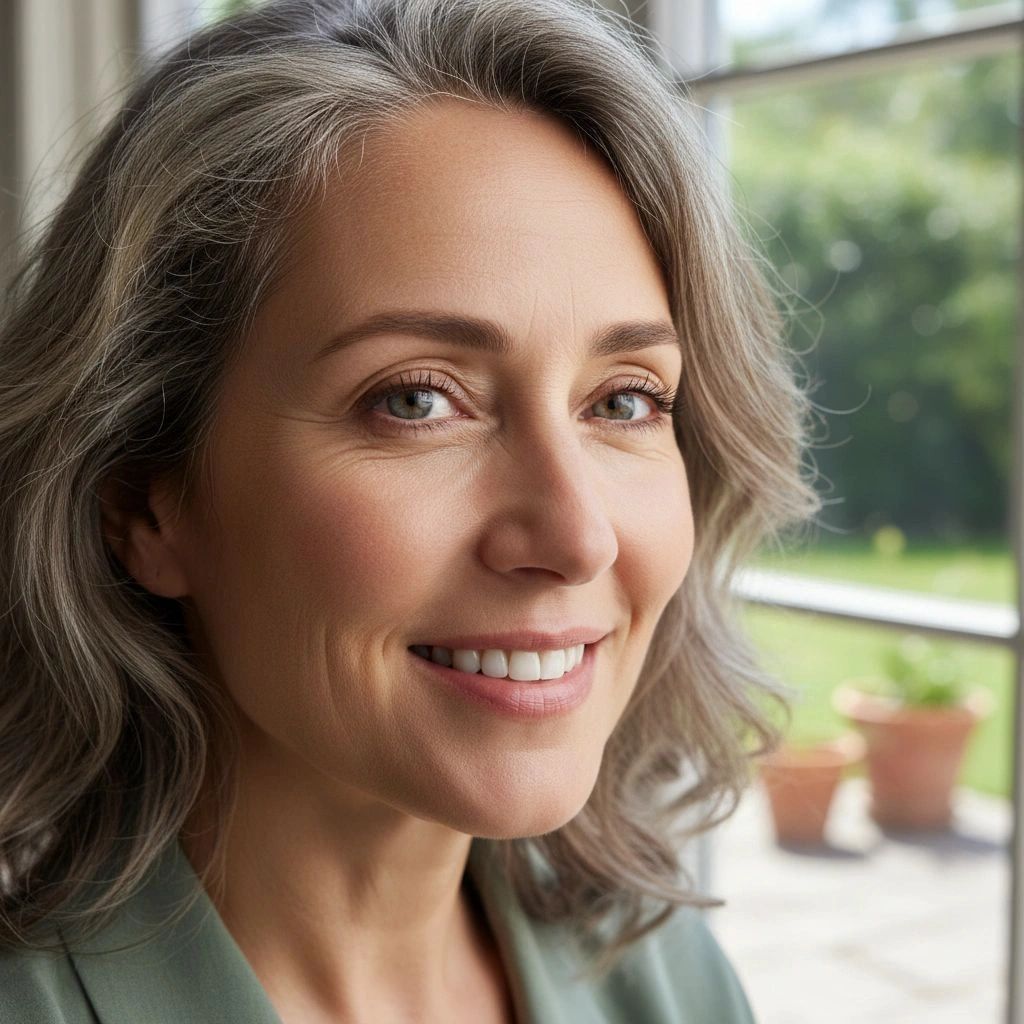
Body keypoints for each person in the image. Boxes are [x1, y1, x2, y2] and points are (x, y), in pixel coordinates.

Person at [0, 0, 821, 1020]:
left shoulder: (666, 978)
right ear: (141, 500)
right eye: (415, 400)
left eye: (624, 401)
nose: (577, 537)